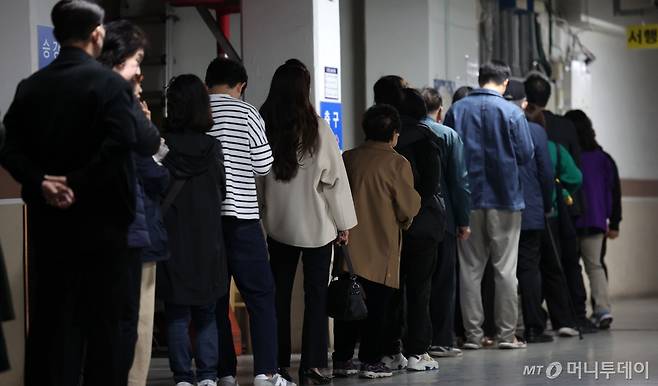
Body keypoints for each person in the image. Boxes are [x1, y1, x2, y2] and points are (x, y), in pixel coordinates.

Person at [0, 1, 160, 385]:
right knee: (108, 335)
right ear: (96, 34)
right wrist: (77, 181)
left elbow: (8, 146)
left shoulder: (31, 86)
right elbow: (128, 141)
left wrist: (42, 181)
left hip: (50, 229)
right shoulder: (110, 86)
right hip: (106, 231)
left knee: (54, 331)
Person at [258, 61, 357, 385]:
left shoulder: (263, 124)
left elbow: (257, 179)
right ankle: (312, 364)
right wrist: (344, 224)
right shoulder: (317, 128)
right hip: (317, 227)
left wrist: (263, 214)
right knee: (316, 295)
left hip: (277, 225)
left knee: (278, 295)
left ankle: (276, 363)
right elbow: (334, 181)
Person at [205, 58, 292, 386]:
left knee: (214, 298)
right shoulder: (247, 113)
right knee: (260, 296)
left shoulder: (195, 112)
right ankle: (265, 373)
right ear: (241, 86)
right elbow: (263, 166)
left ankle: (223, 372)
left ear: (207, 83)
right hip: (242, 218)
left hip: (207, 222)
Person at [98, 19, 170, 385]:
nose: (141, 71)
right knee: (134, 322)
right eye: (136, 61)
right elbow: (156, 174)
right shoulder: (116, 109)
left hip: (97, 236)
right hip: (132, 234)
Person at [443, 61, 533, 350]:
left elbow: (446, 153)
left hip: (467, 201)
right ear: (505, 82)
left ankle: (472, 336)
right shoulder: (512, 112)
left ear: (479, 79)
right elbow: (526, 154)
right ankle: (507, 335)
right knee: (505, 270)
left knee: (470, 270)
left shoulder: (457, 110)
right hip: (505, 199)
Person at [334, 104, 421, 379]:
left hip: (349, 248)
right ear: (395, 134)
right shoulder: (397, 163)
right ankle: (370, 361)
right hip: (382, 247)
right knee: (377, 309)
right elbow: (407, 207)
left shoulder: (348, 158)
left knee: (348, 306)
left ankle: (342, 359)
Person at [157, 74, 228, 386]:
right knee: (207, 312)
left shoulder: (161, 145)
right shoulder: (213, 148)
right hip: (208, 238)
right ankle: (209, 375)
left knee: (176, 312)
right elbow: (222, 191)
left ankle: (183, 376)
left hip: (173, 236)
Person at [379, 88, 444, 372]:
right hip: (422, 224)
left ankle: (390, 350)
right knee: (420, 289)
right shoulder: (427, 139)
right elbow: (431, 184)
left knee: (390, 290)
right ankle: (417, 351)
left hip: (389, 225)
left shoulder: (382, 140)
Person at [524, 74, 595, 333]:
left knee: (532, 265)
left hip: (529, 207)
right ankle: (573, 315)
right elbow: (576, 170)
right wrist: (563, 192)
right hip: (561, 206)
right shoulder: (565, 127)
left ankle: (535, 319)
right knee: (566, 261)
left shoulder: (519, 124)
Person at [420, 87, 471, 358]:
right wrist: (463, 220)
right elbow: (459, 182)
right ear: (440, 111)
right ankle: (441, 339)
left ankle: (413, 341)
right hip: (444, 219)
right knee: (443, 281)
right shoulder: (448, 135)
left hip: (410, 220)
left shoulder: (403, 134)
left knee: (414, 283)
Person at [503, 81, 555, 343]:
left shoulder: (494, 128)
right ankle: (534, 325)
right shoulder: (535, 131)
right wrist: (547, 204)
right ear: (525, 103)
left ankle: (500, 329)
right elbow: (546, 173)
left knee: (499, 270)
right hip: (530, 209)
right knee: (528, 269)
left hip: (497, 207)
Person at [565, 109, 620, 329]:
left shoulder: (569, 155)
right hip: (597, 219)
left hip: (572, 218)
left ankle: (572, 311)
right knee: (595, 266)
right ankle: (603, 309)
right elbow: (615, 191)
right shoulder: (603, 158)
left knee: (571, 266)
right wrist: (614, 222)